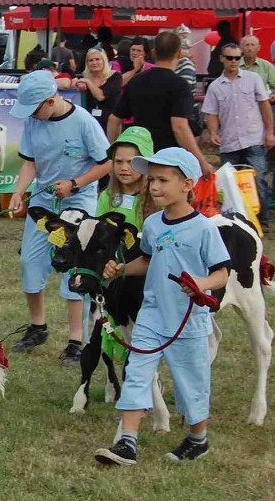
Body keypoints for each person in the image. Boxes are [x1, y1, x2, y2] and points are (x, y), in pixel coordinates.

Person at [94, 148, 230, 466]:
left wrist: (200, 283)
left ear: (187, 184)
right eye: (151, 180)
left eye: (163, 180)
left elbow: (222, 273)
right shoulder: (153, 224)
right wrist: (122, 269)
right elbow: (147, 259)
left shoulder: (204, 229)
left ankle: (198, 439)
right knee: (138, 372)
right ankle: (126, 442)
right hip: (152, 314)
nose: (154, 187)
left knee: (191, 382)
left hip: (187, 319)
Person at [6, 70, 112, 365]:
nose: (31, 116)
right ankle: (38, 327)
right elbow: (30, 162)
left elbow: (107, 164)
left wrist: (75, 184)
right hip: (43, 200)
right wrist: (18, 192)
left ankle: (76, 341)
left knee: (74, 269)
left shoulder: (85, 123)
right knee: (30, 260)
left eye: (34, 109)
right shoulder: (33, 121)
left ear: (51, 101)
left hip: (78, 201)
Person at [109, 31, 213, 179]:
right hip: (169, 160)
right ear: (179, 54)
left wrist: (116, 154)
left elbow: (114, 119)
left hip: (142, 158)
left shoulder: (137, 81)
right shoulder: (180, 85)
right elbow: (180, 127)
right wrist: (201, 162)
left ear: (153, 52)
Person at [202, 43, 275, 229]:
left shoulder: (253, 78)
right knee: (229, 185)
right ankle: (234, 219)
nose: (234, 61)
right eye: (230, 58)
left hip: (253, 138)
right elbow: (211, 113)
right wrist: (213, 132)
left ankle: (262, 220)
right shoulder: (215, 86)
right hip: (229, 141)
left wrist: (269, 132)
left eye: (237, 58)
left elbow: (264, 105)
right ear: (222, 59)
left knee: (258, 181)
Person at [96, 126, 157, 225]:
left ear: (146, 163)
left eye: (131, 162)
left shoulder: (157, 197)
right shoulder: (106, 196)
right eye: (119, 161)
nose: (124, 168)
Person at [75, 48, 122, 133]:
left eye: (97, 59)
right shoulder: (84, 78)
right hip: (90, 122)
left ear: (104, 60)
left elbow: (101, 96)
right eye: (90, 60)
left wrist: (88, 82)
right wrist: (77, 84)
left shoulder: (115, 76)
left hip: (110, 122)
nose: (94, 63)